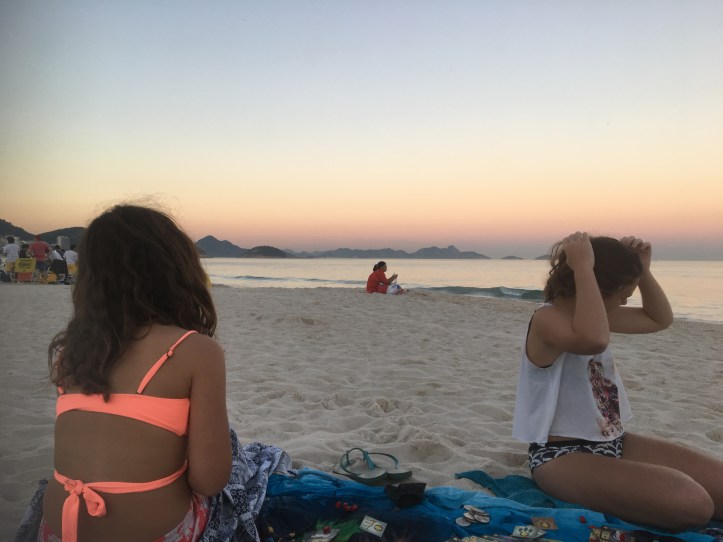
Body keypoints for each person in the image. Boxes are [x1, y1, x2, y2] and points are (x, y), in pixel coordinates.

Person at [40, 204, 232, 541]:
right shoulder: (194, 350)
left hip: (57, 530)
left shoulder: (72, 350)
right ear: (177, 270)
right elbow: (209, 481)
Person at [512, 232, 723, 531]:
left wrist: (643, 271)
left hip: (616, 442)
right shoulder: (548, 319)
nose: (626, 300)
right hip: (561, 455)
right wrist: (584, 268)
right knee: (694, 504)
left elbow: (658, 319)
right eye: (623, 293)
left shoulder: (597, 317)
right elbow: (594, 340)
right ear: (597, 288)